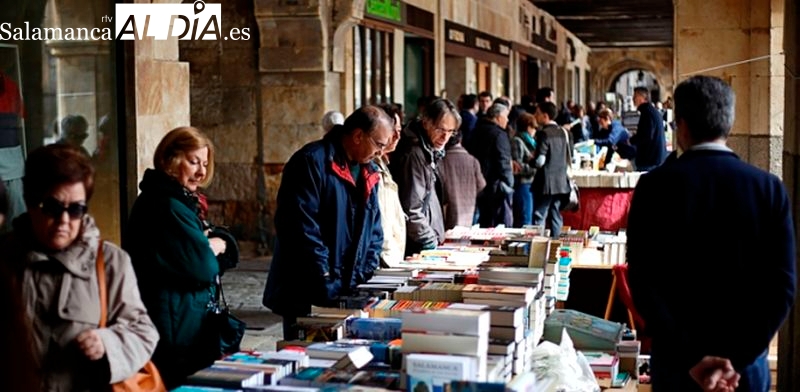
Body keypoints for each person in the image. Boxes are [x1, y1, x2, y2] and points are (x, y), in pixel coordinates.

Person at [627, 76, 797, 392]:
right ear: (729, 123)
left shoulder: (654, 188)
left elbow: (642, 282)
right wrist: (737, 359)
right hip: (744, 370)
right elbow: (783, 287)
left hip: (678, 365)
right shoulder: (768, 188)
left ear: (682, 126)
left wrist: (692, 358)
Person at [0, 144, 158, 390]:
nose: (64, 220)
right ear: (31, 202)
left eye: (76, 209)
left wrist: (107, 343)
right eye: (52, 208)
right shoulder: (6, 258)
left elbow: (143, 332)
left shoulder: (110, 262)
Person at [263, 106, 393, 338]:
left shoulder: (369, 171)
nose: (381, 153)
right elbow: (300, 228)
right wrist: (325, 278)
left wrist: (362, 277)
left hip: (347, 290)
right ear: (357, 136)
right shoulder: (311, 161)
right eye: (379, 145)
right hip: (306, 290)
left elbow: (374, 231)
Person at [124, 126, 226, 388]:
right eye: (193, 162)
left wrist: (210, 243)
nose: (202, 172)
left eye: (204, 163)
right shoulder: (167, 204)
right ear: (170, 160)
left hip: (179, 316)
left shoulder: (177, 200)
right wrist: (212, 246)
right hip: (174, 321)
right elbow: (203, 265)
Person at [391, 98, 460, 256]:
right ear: (426, 123)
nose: (445, 137)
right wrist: (430, 240)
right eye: (440, 129)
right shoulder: (415, 154)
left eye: (450, 131)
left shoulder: (430, 150)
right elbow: (411, 208)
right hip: (417, 245)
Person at [468, 102, 514, 228]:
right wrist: (510, 182)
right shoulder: (499, 134)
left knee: (484, 222)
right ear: (498, 117)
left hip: (477, 183)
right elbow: (503, 161)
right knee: (500, 225)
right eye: (506, 116)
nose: (507, 119)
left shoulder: (476, 131)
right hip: (496, 185)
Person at [531, 101, 571, 238]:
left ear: (545, 116)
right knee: (555, 214)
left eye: (537, 113)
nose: (535, 116)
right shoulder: (563, 132)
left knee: (540, 215)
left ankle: (538, 247)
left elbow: (540, 161)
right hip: (560, 180)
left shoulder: (544, 134)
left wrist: (530, 161)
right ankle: (556, 245)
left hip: (546, 182)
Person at [376, 103, 406, 267]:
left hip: (392, 256)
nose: (397, 137)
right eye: (392, 132)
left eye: (399, 131)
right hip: (383, 257)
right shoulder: (370, 166)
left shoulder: (384, 164)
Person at [438, 131, 486, 229]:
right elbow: (482, 184)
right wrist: (470, 192)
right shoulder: (472, 160)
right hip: (469, 209)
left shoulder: (442, 160)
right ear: (460, 140)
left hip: (448, 210)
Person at [630, 86, 667, 171]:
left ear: (641, 97)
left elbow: (646, 135)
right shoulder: (650, 111)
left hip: (649, 161)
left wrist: (632, 140)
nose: (633, 99)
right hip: (654, 160)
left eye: (635, 96)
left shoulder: (647, 113)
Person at [511, 112, 538, 227]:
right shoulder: (517, 141)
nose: (535, 131)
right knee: (525, 219)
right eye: (534, 127)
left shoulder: (531, 142)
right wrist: (535, 167)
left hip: (531, 184)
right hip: (522, 184)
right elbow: (517, 166)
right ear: (528, 127)